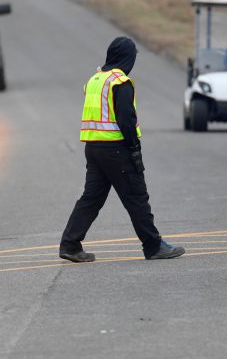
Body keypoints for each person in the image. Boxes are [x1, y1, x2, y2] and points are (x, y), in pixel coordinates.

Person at [59, 37, 185, 262]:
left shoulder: (95, 79)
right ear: (127, 58)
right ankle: (154, 246)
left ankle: (70, 244)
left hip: (93, 148)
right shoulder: (120, 82)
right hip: (116, 149)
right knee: (136, 197)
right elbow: (126, 120)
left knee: (91, 198)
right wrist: (134, 148)